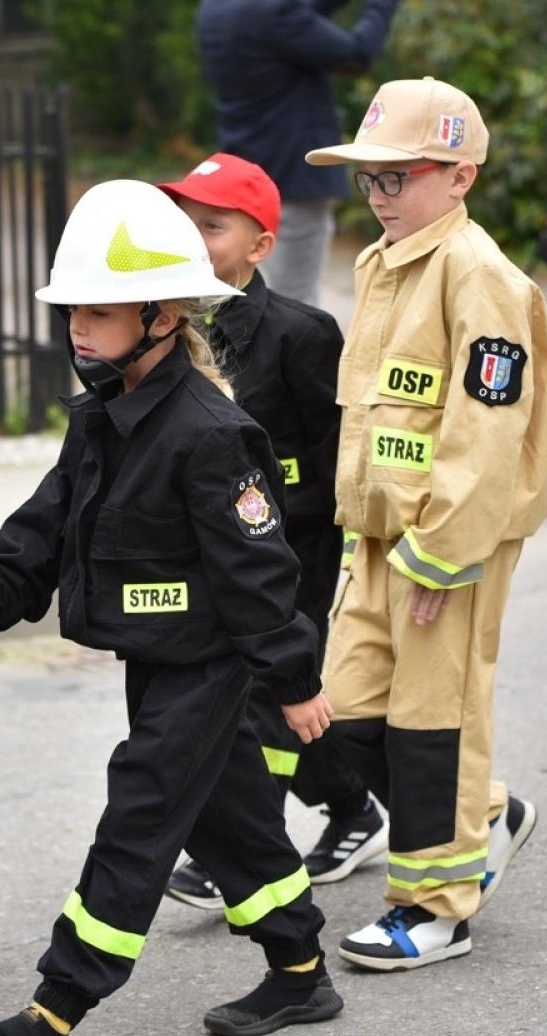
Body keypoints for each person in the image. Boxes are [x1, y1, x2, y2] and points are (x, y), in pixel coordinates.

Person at [0, 180, 344, 1036]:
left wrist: (295, 681)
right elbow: (50, 519)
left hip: (208, 667)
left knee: (142, 813)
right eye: (72, 310)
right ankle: (301, 968)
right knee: (228, 817)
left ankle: (51, 1017)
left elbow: (260, 573)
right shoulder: (105, 416)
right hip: (156, 660)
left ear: (162, 315)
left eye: (98, 310)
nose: (78, 328)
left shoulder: (210, 434)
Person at [303, 77, 547, 970]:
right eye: (368, 180)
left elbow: (488, 430)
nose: (378, 197)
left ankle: (435, 909)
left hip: (445, 547)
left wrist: (442, 554)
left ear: (460, 176)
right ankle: (484, 811)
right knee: (347, 712)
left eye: (398, 178)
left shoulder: (479, 275)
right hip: (374, 538)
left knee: (429, 724)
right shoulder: (384, 263)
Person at [156, 152, 388, 909]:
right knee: (264, 695)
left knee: (265, 692)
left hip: (294, 553)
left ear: (260, 247)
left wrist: (349, 541)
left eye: (212, 227)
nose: (193, 238)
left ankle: (246, 855)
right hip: (209, 553)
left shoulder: (301, 334)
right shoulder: (160, 325)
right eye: (184, 223)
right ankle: (352, 807)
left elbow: (338, 450)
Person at [197, 0, 401, 307]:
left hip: (245, 177)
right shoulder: (277, 12)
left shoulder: (214, 9)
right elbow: (357, 54)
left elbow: (303, 16)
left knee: (247, 297)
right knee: (294, 303)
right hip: (295, 176)